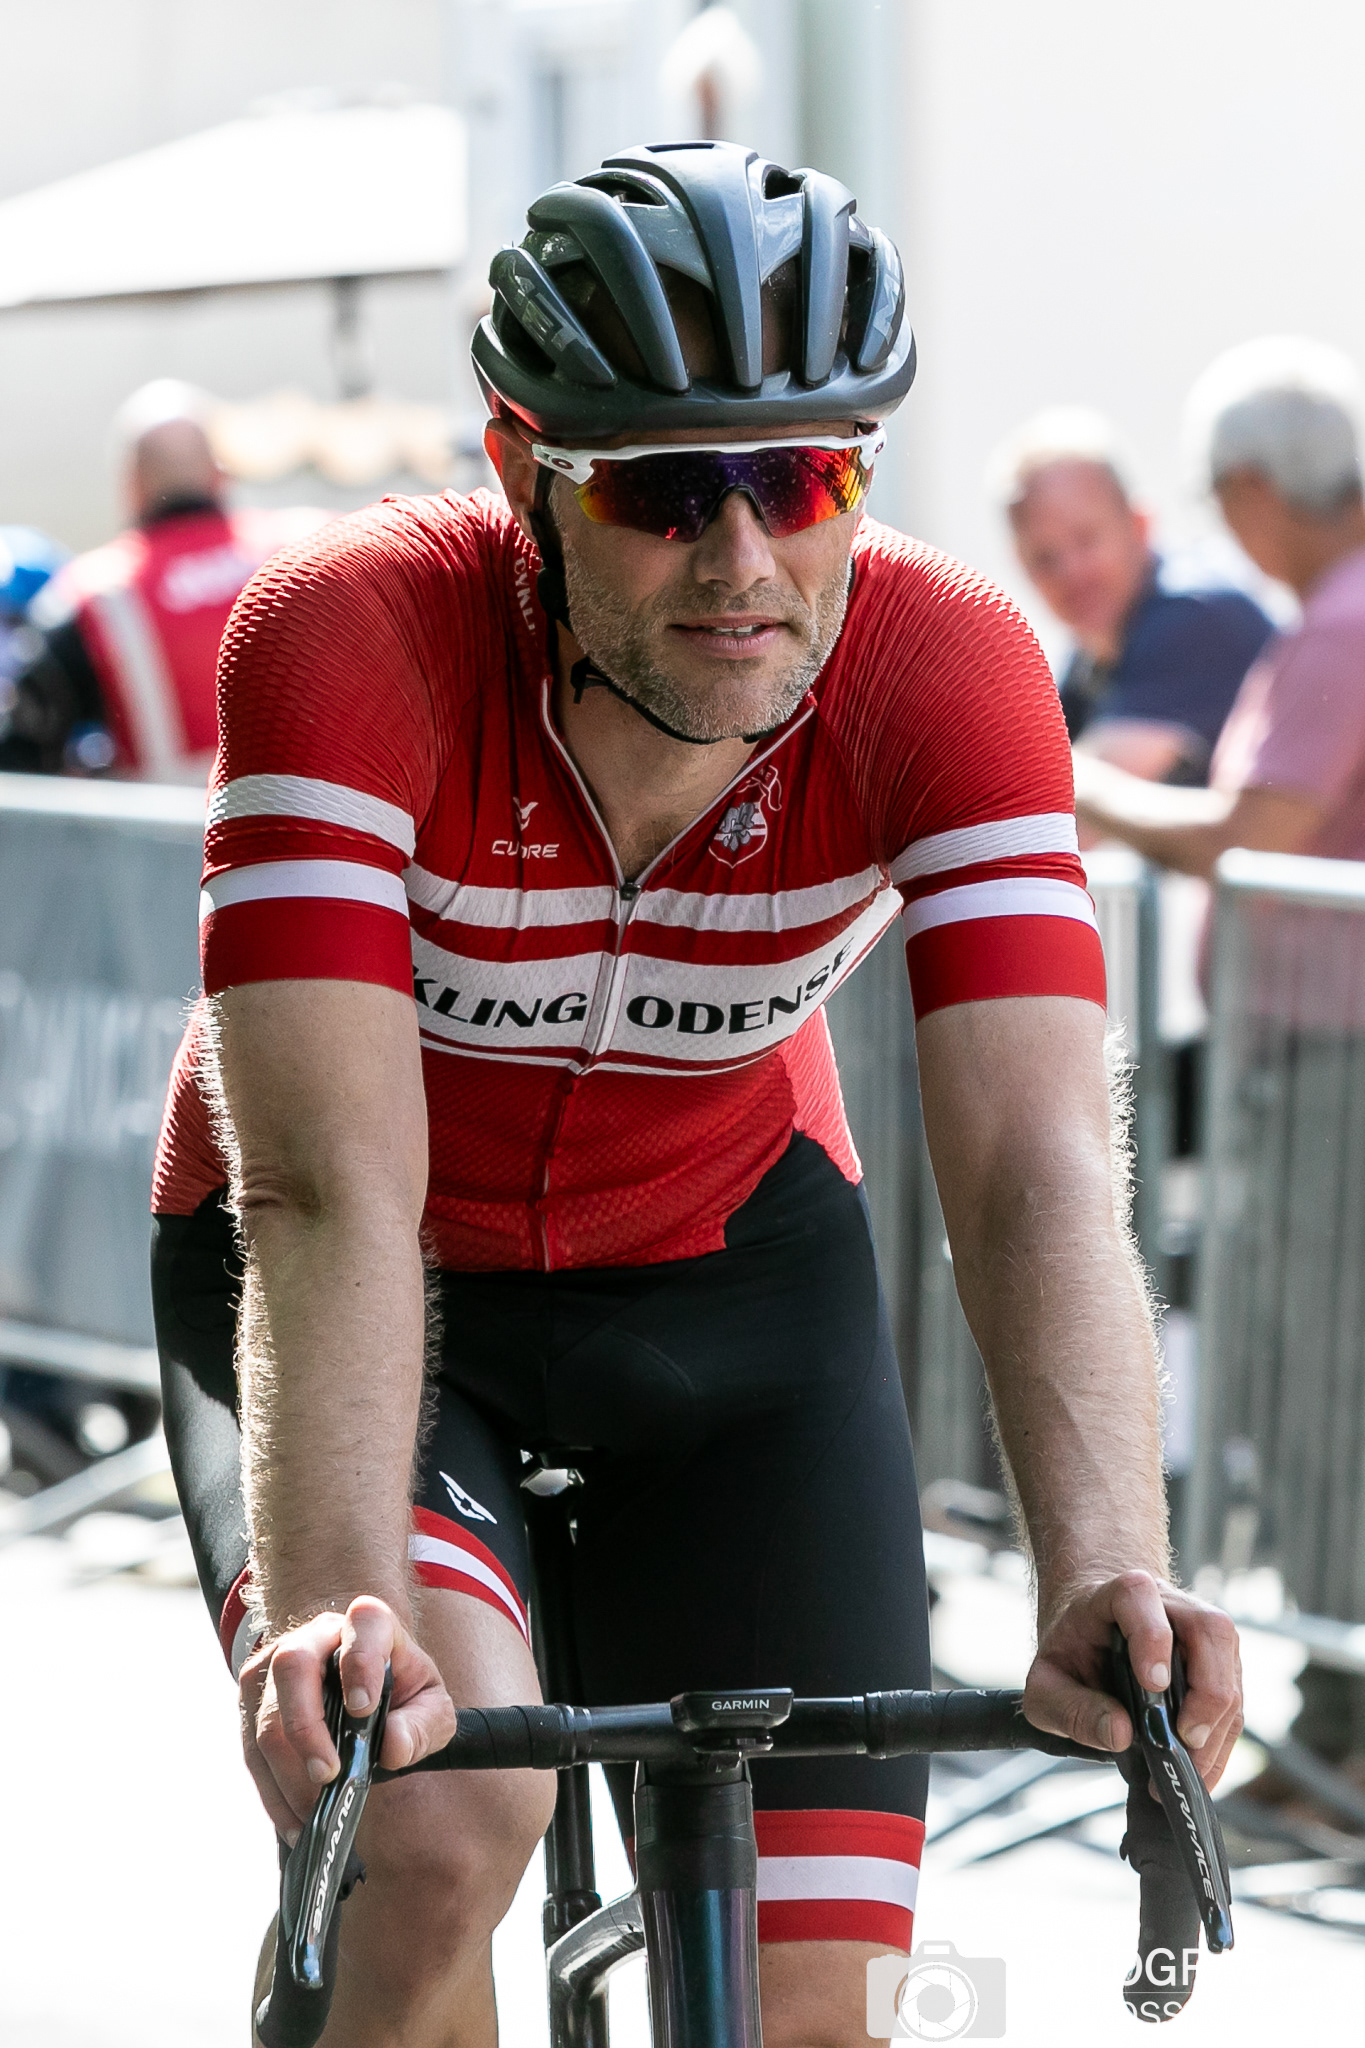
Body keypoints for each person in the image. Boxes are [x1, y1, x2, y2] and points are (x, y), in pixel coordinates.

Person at [150, 143, 1241, 2048]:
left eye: (806, 480)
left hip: (732, 1283)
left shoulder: (950, 663)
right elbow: (327, 1190)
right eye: (661, 494)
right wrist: (336, 1606)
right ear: (520, 468)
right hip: (370, 1277)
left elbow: (1039, 1163)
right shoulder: (350, 631)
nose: (744, 563)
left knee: (827, 2001)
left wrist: (1108, 1569)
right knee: (429, 1828)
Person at [1073, 340, 1365, 871]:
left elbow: (1246, 840)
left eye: (1216, 495)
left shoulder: (1343, 626)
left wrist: (1081, 784)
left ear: (1251, 486)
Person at [0, 382, 327, 781]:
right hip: (331, 816)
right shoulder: (315, 548)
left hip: (172, 820)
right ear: (221, 474)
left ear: (130, 487)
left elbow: (21, 764)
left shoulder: (90, 598)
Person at [993, 407, 1272, 786]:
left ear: (1139, 524)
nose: (1071, 572)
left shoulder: (1195, 616)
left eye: (1086, 539)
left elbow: (1062, 799)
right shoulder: (1090, 658)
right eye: (1044, 558)